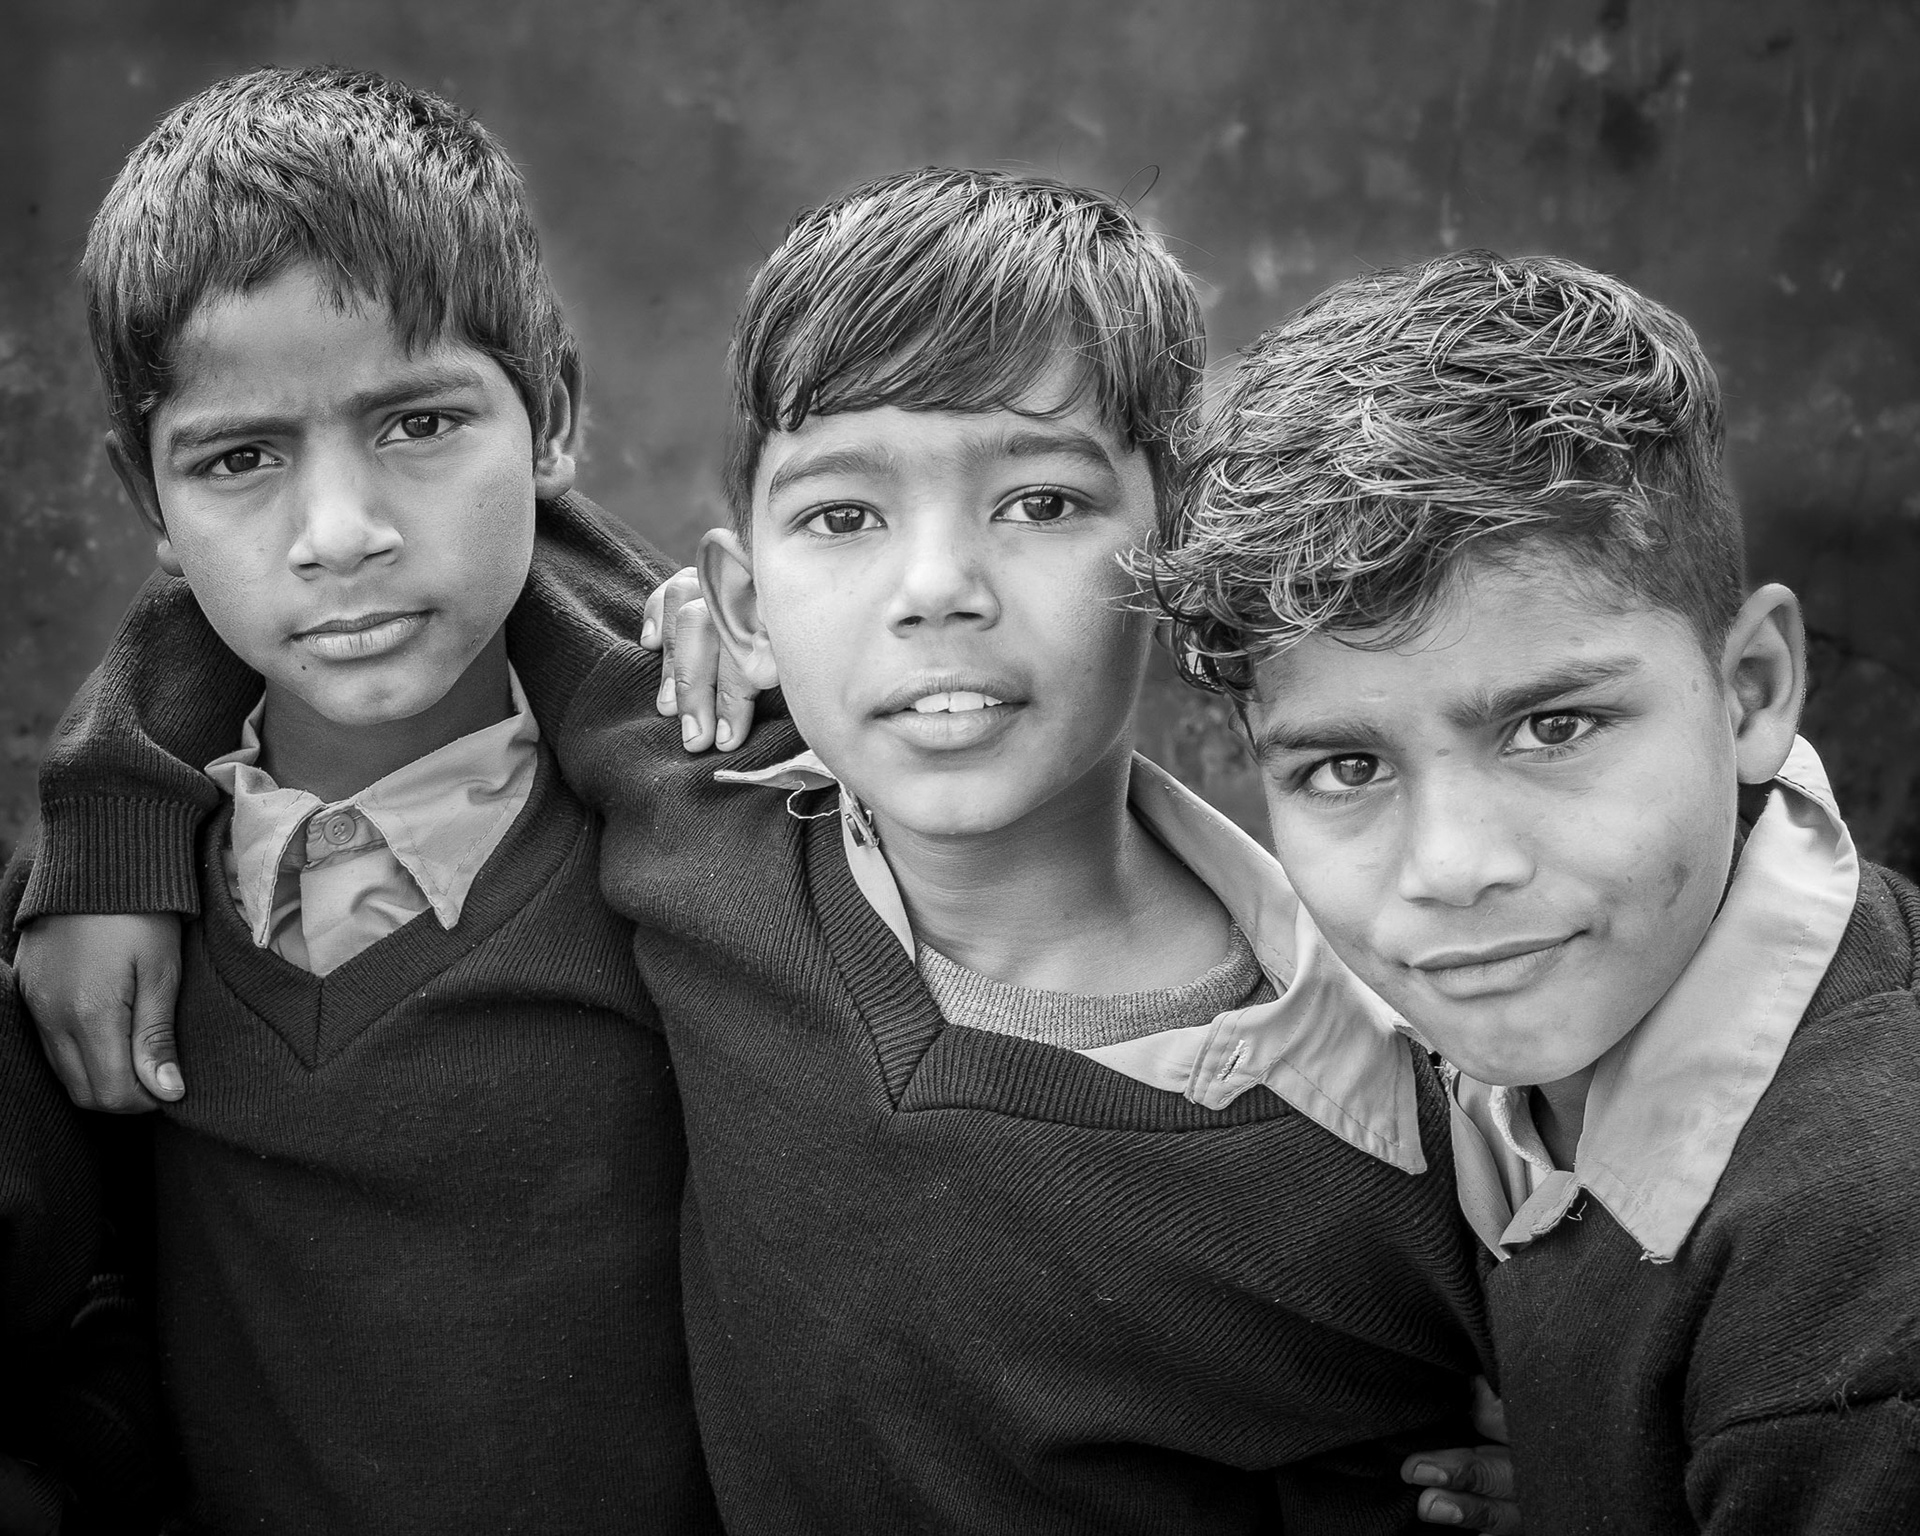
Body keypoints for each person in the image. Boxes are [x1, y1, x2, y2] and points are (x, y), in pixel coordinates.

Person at [18, 168, 1517, 1532]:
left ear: (1175, 549)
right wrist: (111, 817)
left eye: (1042, 502)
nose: (939, 587)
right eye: (847, 514)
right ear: (738, 605)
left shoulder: (1400, 1115)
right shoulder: (713, 819)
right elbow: (326, 555)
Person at [10, 66, 722, 1534]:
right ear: (148, 502)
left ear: (553, 417)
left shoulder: (701, 849)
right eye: (241, 459)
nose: (339, 535)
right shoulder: (114, 930)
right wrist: (109, 826)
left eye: (416, 426)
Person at [1152, 249, 1920, 1533]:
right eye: (1347, 766)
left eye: (1553, 729)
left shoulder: (1861, 1284)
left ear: (1751, 691)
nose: (1452, 868)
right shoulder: (1513, 1040)